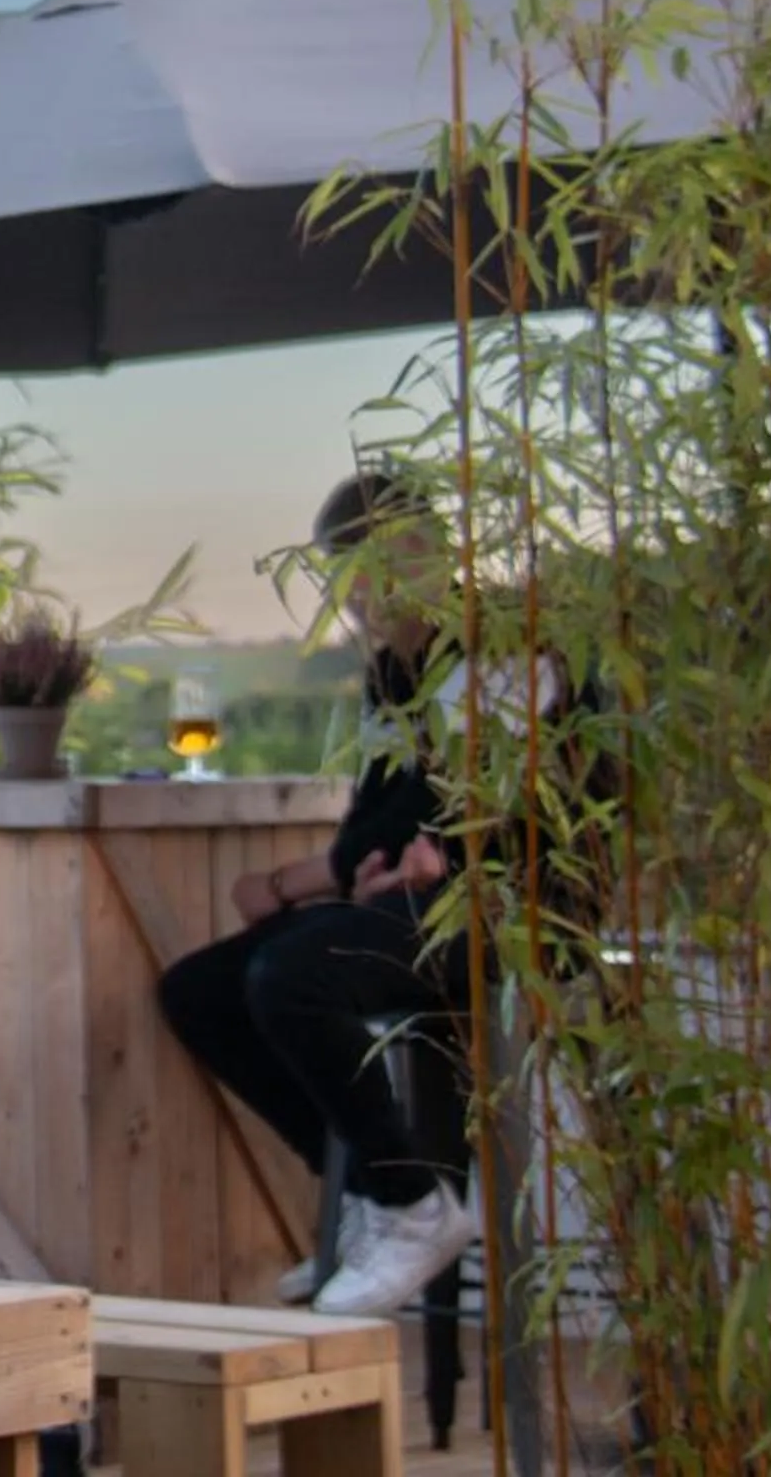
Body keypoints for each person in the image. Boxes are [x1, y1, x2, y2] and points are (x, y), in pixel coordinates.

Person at [156, 471, 581, 1318]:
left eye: (355, 576)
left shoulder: (503, 647)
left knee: (292, 977)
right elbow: (378, 817)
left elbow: (477, 808)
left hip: (516, 911)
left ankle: (410, 1206)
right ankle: (360, 1188)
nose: (349, 602)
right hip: (419, 899)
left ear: (415, 555)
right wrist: (365, 869)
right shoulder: (396, 670)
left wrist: (408, 859)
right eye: (338, 581)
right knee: (199, 992)